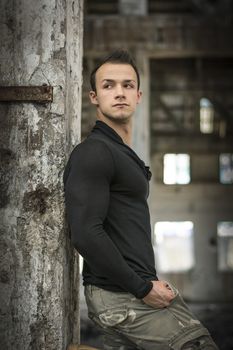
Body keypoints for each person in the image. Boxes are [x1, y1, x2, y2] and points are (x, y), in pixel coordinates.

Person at [63, 50, 219, 350]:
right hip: (121, 294)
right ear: (94, 97)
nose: (119, 92)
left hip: (134, 289)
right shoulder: (95, 152)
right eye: (109, 85)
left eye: (127, 85)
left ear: (139, 95)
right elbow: (85, 233)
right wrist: (143, 288)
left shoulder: (121, 153)